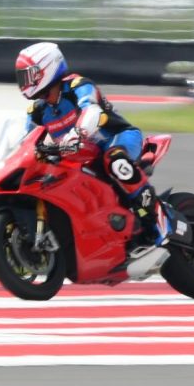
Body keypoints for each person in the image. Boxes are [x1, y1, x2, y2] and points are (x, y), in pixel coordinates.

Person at [15, 41, 173, 246]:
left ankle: (158, 219)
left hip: (118, 138)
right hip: (82, 155)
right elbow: (25, 140)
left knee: (114, 160)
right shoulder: (37, 110)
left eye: (28, 75)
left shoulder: (77, 86)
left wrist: (77, 133)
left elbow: (91, 111)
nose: (24, 83)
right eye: (22, 78)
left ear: (47, 68)